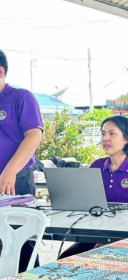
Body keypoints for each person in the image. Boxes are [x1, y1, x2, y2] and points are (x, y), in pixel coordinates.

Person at [60, 116, 128, 259]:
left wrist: (110, 242)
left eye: (112, 134)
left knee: (97, 260)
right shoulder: (97, 165)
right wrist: (63, 197)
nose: (105, 139)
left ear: (126, 139)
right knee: (64, 259)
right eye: (103, 134)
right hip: (96, 233)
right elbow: (85, 199)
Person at [0, 49, 43, 273]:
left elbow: (34, 135)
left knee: (21, 244)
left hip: (16, 181)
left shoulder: (21, 97)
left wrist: (10, 171)